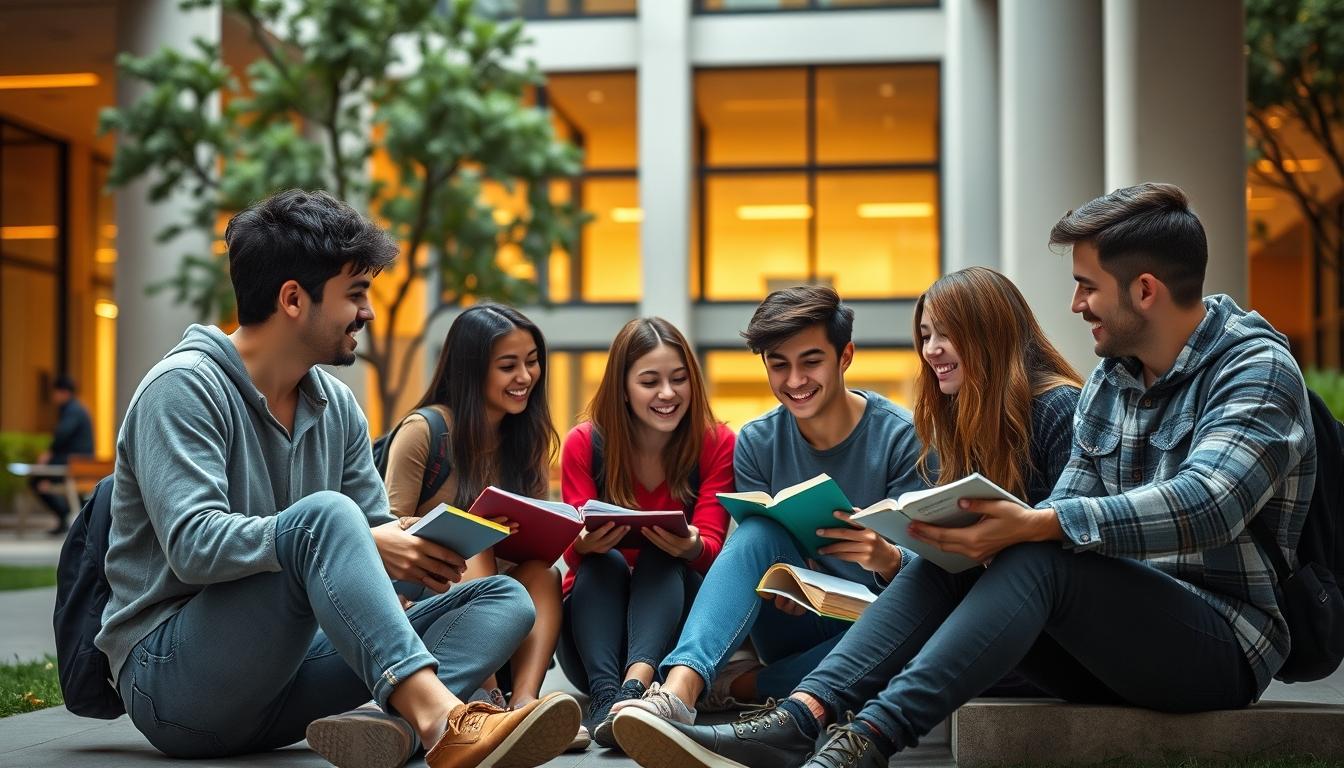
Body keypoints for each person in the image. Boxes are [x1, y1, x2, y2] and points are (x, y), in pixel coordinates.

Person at [612, 182, 1316, 768]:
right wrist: (976, 537)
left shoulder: (1255, 368)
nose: (1074, 305)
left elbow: (1209, 504)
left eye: (1086, 286)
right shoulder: (1114, 381)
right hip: (1104, 635)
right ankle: (805, 715)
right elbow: (1070, 505)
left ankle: (861, 743)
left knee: (1033, 551)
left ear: (1145, 289)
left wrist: (1034, 523)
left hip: (1221, 642)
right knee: (957, 555)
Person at [96, 189, 579, 768]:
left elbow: (371, 541)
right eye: (356, 295)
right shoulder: (183, 388)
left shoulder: (338, 408)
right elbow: (194, 548)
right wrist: (341, 537)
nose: (368, 312)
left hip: (286, 686)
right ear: (293, 299)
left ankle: (384, 728)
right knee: (326, 515)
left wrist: (417, 553)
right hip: (177, 684)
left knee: (505, 599)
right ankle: (440, 719)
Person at [610, 285, 926, 731]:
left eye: (810, 362)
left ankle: (740, 687)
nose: (794, 381)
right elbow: (757, 555)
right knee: (758, 533)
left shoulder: (901, 438)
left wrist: (885, 556)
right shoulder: (757, 442)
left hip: (875, 626)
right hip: (790, 621)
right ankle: (679, 692)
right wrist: (788, 585)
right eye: (779, 365)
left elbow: (929, 579)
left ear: (846, 356)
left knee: (909, 642)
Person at [379, 302, 570, 740]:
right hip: (421, 598)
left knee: (543, 573)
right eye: (508, 366)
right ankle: (484, 702)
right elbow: (385, 530)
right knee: (475, 544)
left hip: (502, 603)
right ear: (471, 370)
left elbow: (533, 537)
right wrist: (468, 527)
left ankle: (523, 703)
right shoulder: (425, 431)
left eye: (532, 362)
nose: (525, 377)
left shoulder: (525, 439)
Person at [557, 317, 735, 747]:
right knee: (604, 560)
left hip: (672, 649)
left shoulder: (716, 443)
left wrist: (691, 545)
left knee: (664, 553)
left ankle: (633, 690)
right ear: (623, 388)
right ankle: (606, 697)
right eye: (649, 381)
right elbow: (570, 552)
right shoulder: (583, 443)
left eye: (678, 379)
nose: (668, 394)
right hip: (591, 638)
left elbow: (712, 550)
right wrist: (581, 545)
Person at [29, 375, 94, 534]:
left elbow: (62, 435)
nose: (54, 397)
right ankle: (63, 517)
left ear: (64, 392)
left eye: (56, 393)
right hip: (79, 463)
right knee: (40, 479)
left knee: (34, 479)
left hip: (72, 463)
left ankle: (63, 514)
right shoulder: (77, 409)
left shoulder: (72, 410)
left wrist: (49, 454)